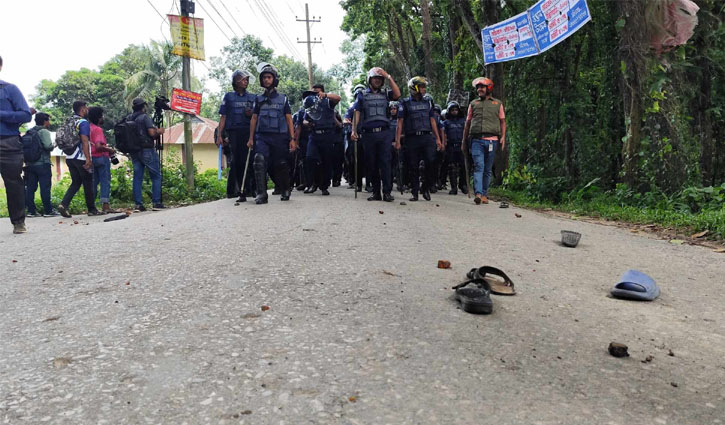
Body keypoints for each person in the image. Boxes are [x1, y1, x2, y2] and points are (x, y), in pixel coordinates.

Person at [247, 63, 297, 204]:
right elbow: (254, 118)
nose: (266, 80)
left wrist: (292, 139)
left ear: (274, 79)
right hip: (262, 136)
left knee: (280, 163)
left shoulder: (283, 99)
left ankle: (285, 189)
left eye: (269, 77)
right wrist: (251, 138)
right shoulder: (258, 99)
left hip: (280, 136)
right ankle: (262, 194)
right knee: (259, 160)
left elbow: (289, 118)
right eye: (264, 78)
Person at [351, 67, 401, 202]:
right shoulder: (362, 94)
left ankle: (387, 192)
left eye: (380, 79)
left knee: (386, 163)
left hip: (384, 133)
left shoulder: (386, 94)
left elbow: (397, 94)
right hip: (368, 135)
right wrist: (353, 130)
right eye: (375, 78)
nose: (377, 81)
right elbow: (357, 112)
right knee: (371, 164)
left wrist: (388, 76)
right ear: (369, 80)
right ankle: (375, 192)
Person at [395, 76, 442, 202]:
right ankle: (415, 192)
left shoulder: (428, 102)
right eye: (422, 86)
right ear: (414, 88)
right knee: (413, 166)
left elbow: (432, 120)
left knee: (431, 162)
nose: (424, 89)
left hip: (427, 137)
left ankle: (425, 187)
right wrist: (398, 140)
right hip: (412, 138)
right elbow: (400, 122)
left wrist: (438, 138)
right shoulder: (404, 103)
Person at [0, 55, 32, 233]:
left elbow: (25, 115)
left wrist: (2, 114)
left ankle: (18, 222)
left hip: (8, 142)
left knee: (13, 183)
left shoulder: (10, 90)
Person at [462, 77, 506, 205]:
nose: (479, 90)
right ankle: (478, 193)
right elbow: (468, 122)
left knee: (487, 169)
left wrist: (503, 137)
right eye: (478, 87)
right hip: (476, 140)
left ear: (488, 88)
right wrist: (464, 140)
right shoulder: (473, 104)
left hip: (492, 141)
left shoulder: (497, 104)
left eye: (482, 87)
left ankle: (485, 194)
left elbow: (503, 121)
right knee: (479, 166)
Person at [57, 101, 102, 217]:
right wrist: (88, 159)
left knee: (76, 182)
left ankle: (64, 203)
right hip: (80, 157)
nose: (87, 110)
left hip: (69, 156)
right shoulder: (83, 122)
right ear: (82, 109)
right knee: (88, 182)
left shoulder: (69, 121)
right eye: (86, 108)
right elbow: (84, 141)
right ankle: (92, 209)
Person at [217, 70, 256, 202]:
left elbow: (257, 116)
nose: (246, 82)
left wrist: (251, 114)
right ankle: (242, 191)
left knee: (251, 161)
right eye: (243, 79)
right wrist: (219, 135)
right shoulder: (228, 97)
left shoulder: (252, 97)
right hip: (234, 133)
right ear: (236, 81)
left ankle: (254, 188)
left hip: (248, 132)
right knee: (238, 161)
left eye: (247, 80)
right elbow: (223, 117)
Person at [302, 83, 341, 196]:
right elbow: (304, 120)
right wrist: (308, 123)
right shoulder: (309, 104)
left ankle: (324, 186)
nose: (315, 94)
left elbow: (338, 98)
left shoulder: (328, 102)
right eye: (313, 92)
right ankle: (311, 184)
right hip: (314, 135)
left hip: (327, 135)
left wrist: (325, 95)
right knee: (310, 158)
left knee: (326, 161)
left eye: (317, 92)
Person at [127, 97, 165, 211]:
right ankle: (156, 202)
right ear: (143, 107)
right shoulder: (144, 117)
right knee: (156, 176)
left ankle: (138, 204)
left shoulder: (129, 118)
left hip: (134, 151)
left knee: (137, 177)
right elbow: (152, 133)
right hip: (147, 149)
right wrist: (160, 131)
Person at [24, 112, 58, 217]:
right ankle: (48, 210)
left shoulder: (29, 132)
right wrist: (54, 144)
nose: (49, 122)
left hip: (30, 164)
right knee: (45, 187)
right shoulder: (44, 131)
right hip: (42, 163)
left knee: (30, 188)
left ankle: (31, 211)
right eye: (48, 120)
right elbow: (48, 146)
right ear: (44, 121)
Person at [88, 107, 115, 213]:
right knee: (105, 181)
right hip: (101, 157)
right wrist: (110, 150)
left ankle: (91, 206)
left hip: (92, 157)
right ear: (99, 117)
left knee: (93, 182)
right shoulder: (98, 129)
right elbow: (99, 146)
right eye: (102, 116)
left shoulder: (88, 128)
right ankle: (105, 205)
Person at [441, 101, 468, 195]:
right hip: (451, 147)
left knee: (463, 166)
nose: (454, 112)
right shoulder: (446, 123)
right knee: (452, 167)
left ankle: (463, 185)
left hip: (461, 146)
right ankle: (453, 187)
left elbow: (467, 133)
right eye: (452, 110)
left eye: (456, 110)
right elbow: (443, 134)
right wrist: (443, 144)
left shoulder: (463, 121)